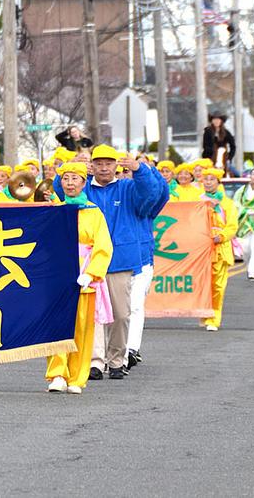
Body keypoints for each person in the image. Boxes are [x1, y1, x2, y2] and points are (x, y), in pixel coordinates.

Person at [83, 145, 158, 380]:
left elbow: (151, 195)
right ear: (92, 166)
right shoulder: (85, 188)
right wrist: (74, 168)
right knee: (93, 314)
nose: (104, 168)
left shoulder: (127, 188)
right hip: (90, 261)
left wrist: (139, 170)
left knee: (122, 314)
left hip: (120, 260)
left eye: (109, 163)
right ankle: (95, 361)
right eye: (99, 163)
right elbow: (62, 189)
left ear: (117, 166)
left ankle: (116, 359)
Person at [45, 162, 112, 395]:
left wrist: (91, 273)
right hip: (58, 279)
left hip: (83, 278)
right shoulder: (56, 211)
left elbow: (103, 247)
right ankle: (57, 374)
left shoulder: (93, 212)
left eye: (75, 179)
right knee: (56, 328)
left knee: (82, 329)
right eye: (66, 179)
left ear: (84, 183)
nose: (70, 183)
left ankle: (77, 377)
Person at [127, 156, 170, 366]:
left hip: (142, 259)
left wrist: (145, 171)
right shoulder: (114, 192)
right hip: (109, 260)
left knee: (134, 306)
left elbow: (158, 192)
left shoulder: (147, 202)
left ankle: (131, 348)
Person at [199, 168, 238, 331]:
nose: (208, 182)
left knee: (218, 286)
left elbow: (232, 226)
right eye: (206, 179)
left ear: (218, 182)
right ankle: (205, 314)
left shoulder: (227, 203)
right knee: (204, 285)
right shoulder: (198, 201)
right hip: (201, 248)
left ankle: (213, 318)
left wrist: (221, 237)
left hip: (220, 247)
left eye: (212, 179)